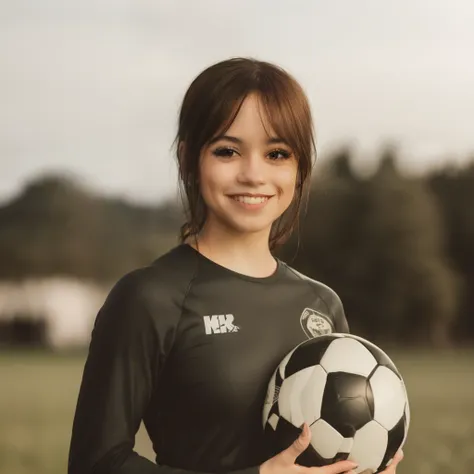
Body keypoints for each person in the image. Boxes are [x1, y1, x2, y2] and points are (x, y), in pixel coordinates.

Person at [68, 57, 403, 474]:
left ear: (299, 168)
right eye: (227, 151)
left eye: (277, 153)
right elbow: (96, 462)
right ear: (189, 158)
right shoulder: (149, 298)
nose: (253, 174)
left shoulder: (321, 303)